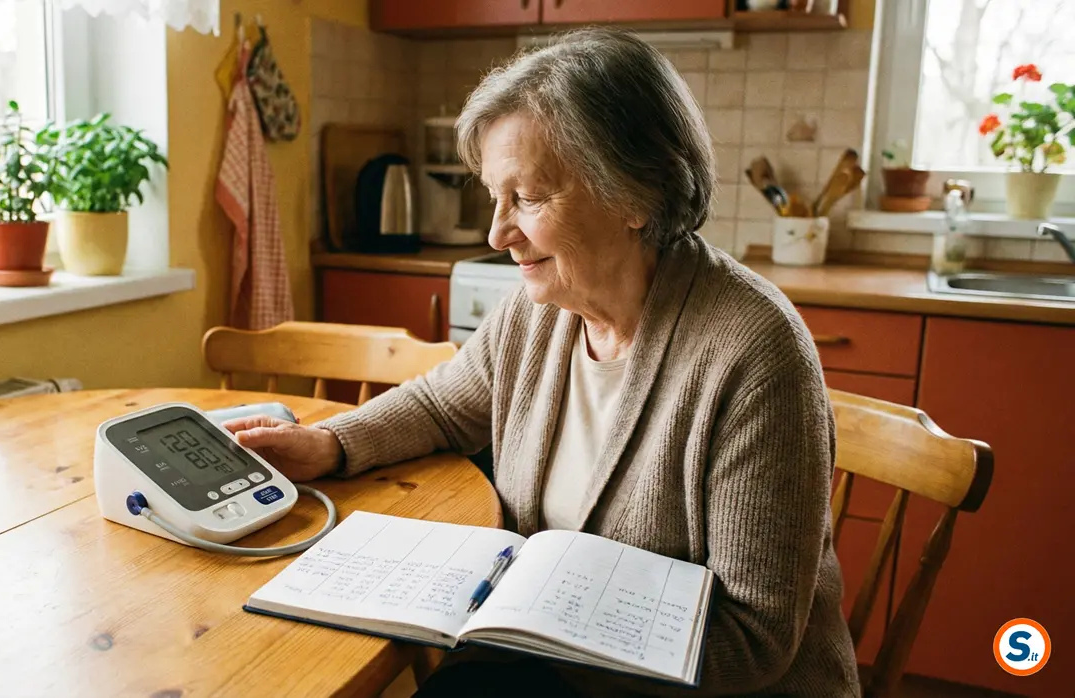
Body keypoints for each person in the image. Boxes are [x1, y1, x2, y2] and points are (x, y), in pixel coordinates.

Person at [224, 27, 861, 697]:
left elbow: (753, 640)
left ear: (635, 195)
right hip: (541, 660)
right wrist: (329, 444)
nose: (497, 233)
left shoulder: (755, 352)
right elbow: (443, 405)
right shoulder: (539, 310)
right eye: (495, 198)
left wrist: (544, 629)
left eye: (526, 198)